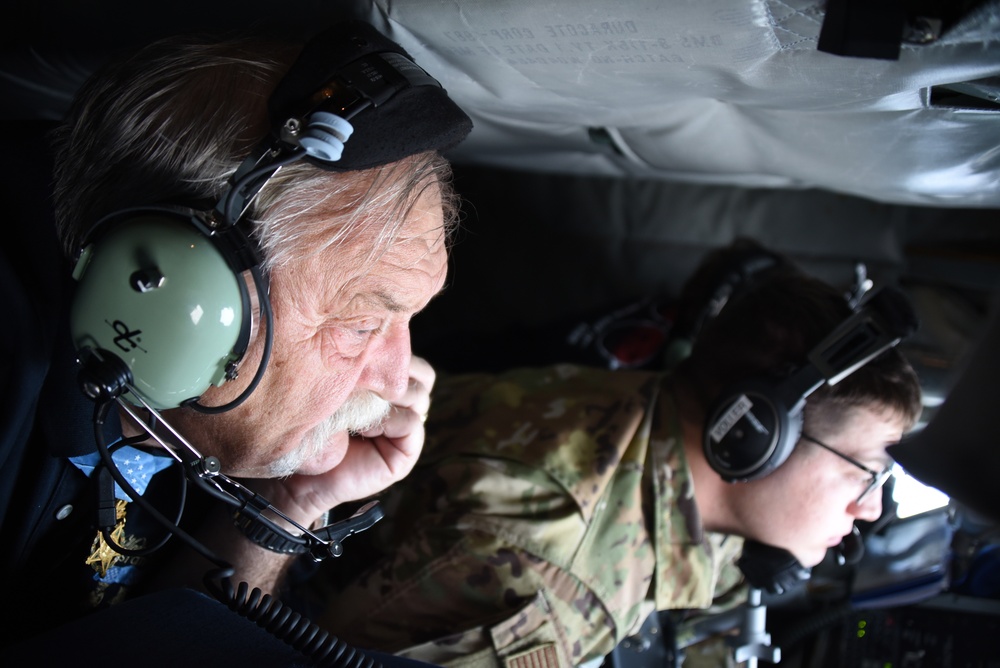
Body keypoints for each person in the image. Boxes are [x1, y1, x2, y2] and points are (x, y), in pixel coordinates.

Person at [0, 19, 471, 666]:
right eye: (360, 325)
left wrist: (290, 503)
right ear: (173, 294)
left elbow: (182, 640)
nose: (397, 379)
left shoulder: (206, 425)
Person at [316, 239, 924, 668]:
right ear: (756, 433)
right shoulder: (555, 562)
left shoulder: (648, 416)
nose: (869, 511)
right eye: (866, 475)